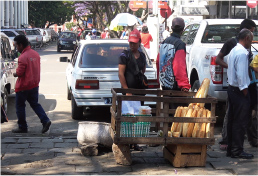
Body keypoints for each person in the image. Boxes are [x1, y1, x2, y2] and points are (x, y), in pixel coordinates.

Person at [216, 19, 257, 150]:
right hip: (240, 85)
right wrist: (232, 68)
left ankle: (252, 139)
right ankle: (228, 140)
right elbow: (218, 59)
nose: (252, 38)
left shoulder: (243, 47)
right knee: (233, 114)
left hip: (248, 82)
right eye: (252, 33)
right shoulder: (234, 45)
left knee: (251, 111)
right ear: (246, 33)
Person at [12, 35, 51, 133]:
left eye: (17, 46)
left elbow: (20, 73)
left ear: (21, 45)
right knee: (35, 104)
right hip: (34, 84)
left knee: (20, 106)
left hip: (23, 86)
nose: (16, 48)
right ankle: (45, 120)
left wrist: (15, 73)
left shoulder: (22, 57)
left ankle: (22, 126)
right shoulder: (35, 54)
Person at [226, 29, 254, 159]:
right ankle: (237, 150)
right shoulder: (242, 53)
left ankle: (231, 149)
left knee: (233, 120)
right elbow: (241, 76)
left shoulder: (234, 50)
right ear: (247, 38)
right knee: (240, 122)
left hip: (232, 89)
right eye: (251, 39)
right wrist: (245, 92)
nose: (252, 42)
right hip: (239, 90)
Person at [118, 29, 146, 151]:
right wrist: (127, 90)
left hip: (140, 92)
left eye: (134, 43)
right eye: (130, 43)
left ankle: (135, 142)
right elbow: (121, 74)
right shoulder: (125, 55)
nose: (132, 45)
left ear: (139, 42)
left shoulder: (143, 56)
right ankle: (127, 142)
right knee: (128, 117)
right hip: (128, 92)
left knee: (139, 117)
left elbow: (142, 71)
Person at [159, 17, 191, 92]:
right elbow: (179, 66)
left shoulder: (164, 42)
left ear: (171, 28)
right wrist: (184, 85)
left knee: (166, 104)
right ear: (183, 30)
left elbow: (159, 62)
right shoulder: (180, 44)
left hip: (164, 85)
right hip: (175, 87)